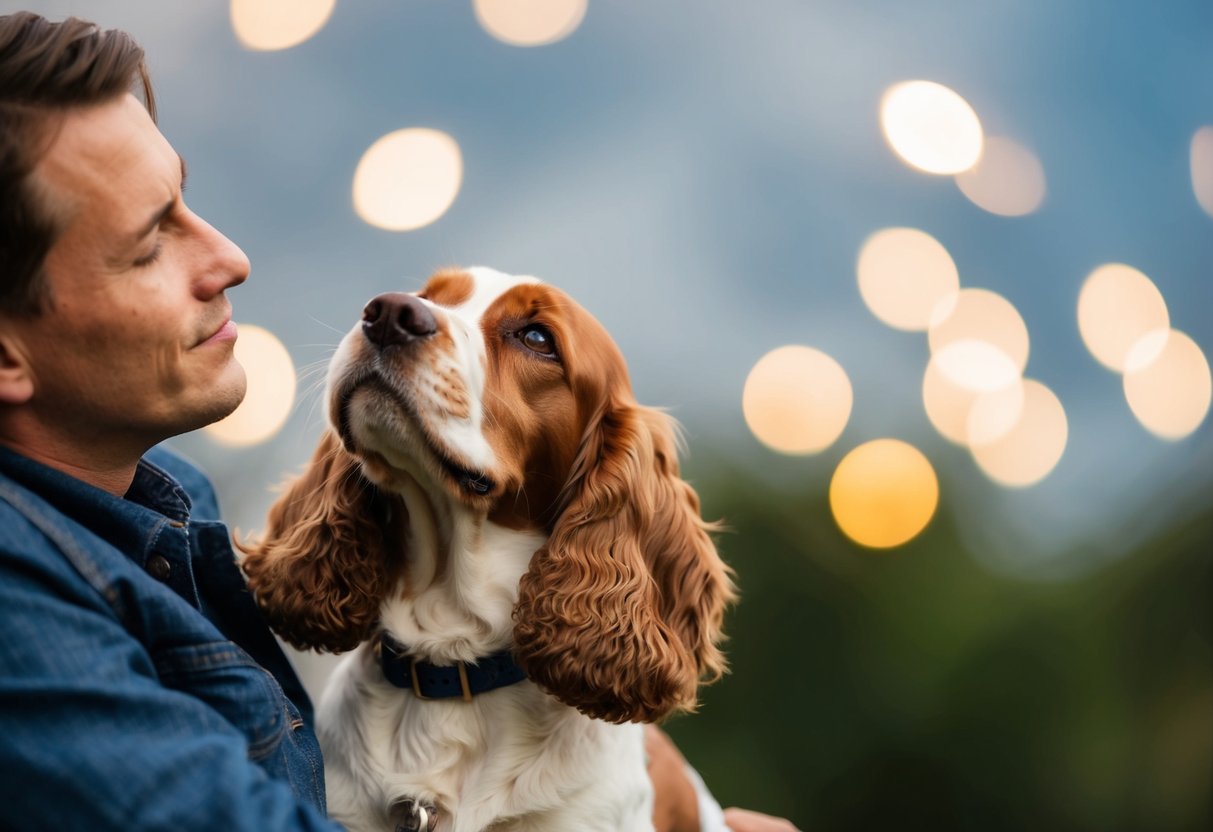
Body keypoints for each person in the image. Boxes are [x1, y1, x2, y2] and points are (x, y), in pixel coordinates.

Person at [0, 11, 796, 832]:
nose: (231, 257)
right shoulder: (20, 606)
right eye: (147, 243)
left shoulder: (178, 508)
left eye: (527, 339)